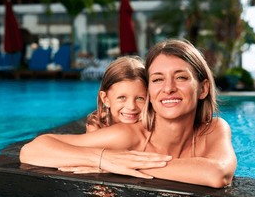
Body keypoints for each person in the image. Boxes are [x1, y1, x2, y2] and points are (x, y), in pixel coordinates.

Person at [20, 39, 237, 188]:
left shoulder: (214, 129)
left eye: (181, 77)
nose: (168, 88)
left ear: (203, 88)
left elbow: (217, 174)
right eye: (158, 79)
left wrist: (127, 165)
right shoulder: (128, 135)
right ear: (150, 91)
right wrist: (104, 159)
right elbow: (32, 150)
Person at [85, 55, 147, 132]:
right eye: (122, 97)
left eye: (139, 98)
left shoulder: (150, 127)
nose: (131, 107)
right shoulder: (97, 125)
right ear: (105, 99)